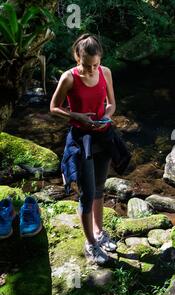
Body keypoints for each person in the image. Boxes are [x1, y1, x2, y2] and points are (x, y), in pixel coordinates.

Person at [50, 33, 118, 265]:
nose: (91, 70)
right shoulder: (68, 78)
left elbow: (111, 104)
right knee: (86, 194)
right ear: (77, 58)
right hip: (81, 140)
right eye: (87, 65)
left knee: (99, 187)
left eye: (95, 65)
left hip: (102, 135)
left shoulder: (105, 72)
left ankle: (99, 232)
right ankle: (90, 244)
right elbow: (53, 107)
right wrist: (74, 115)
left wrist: (106, 117)